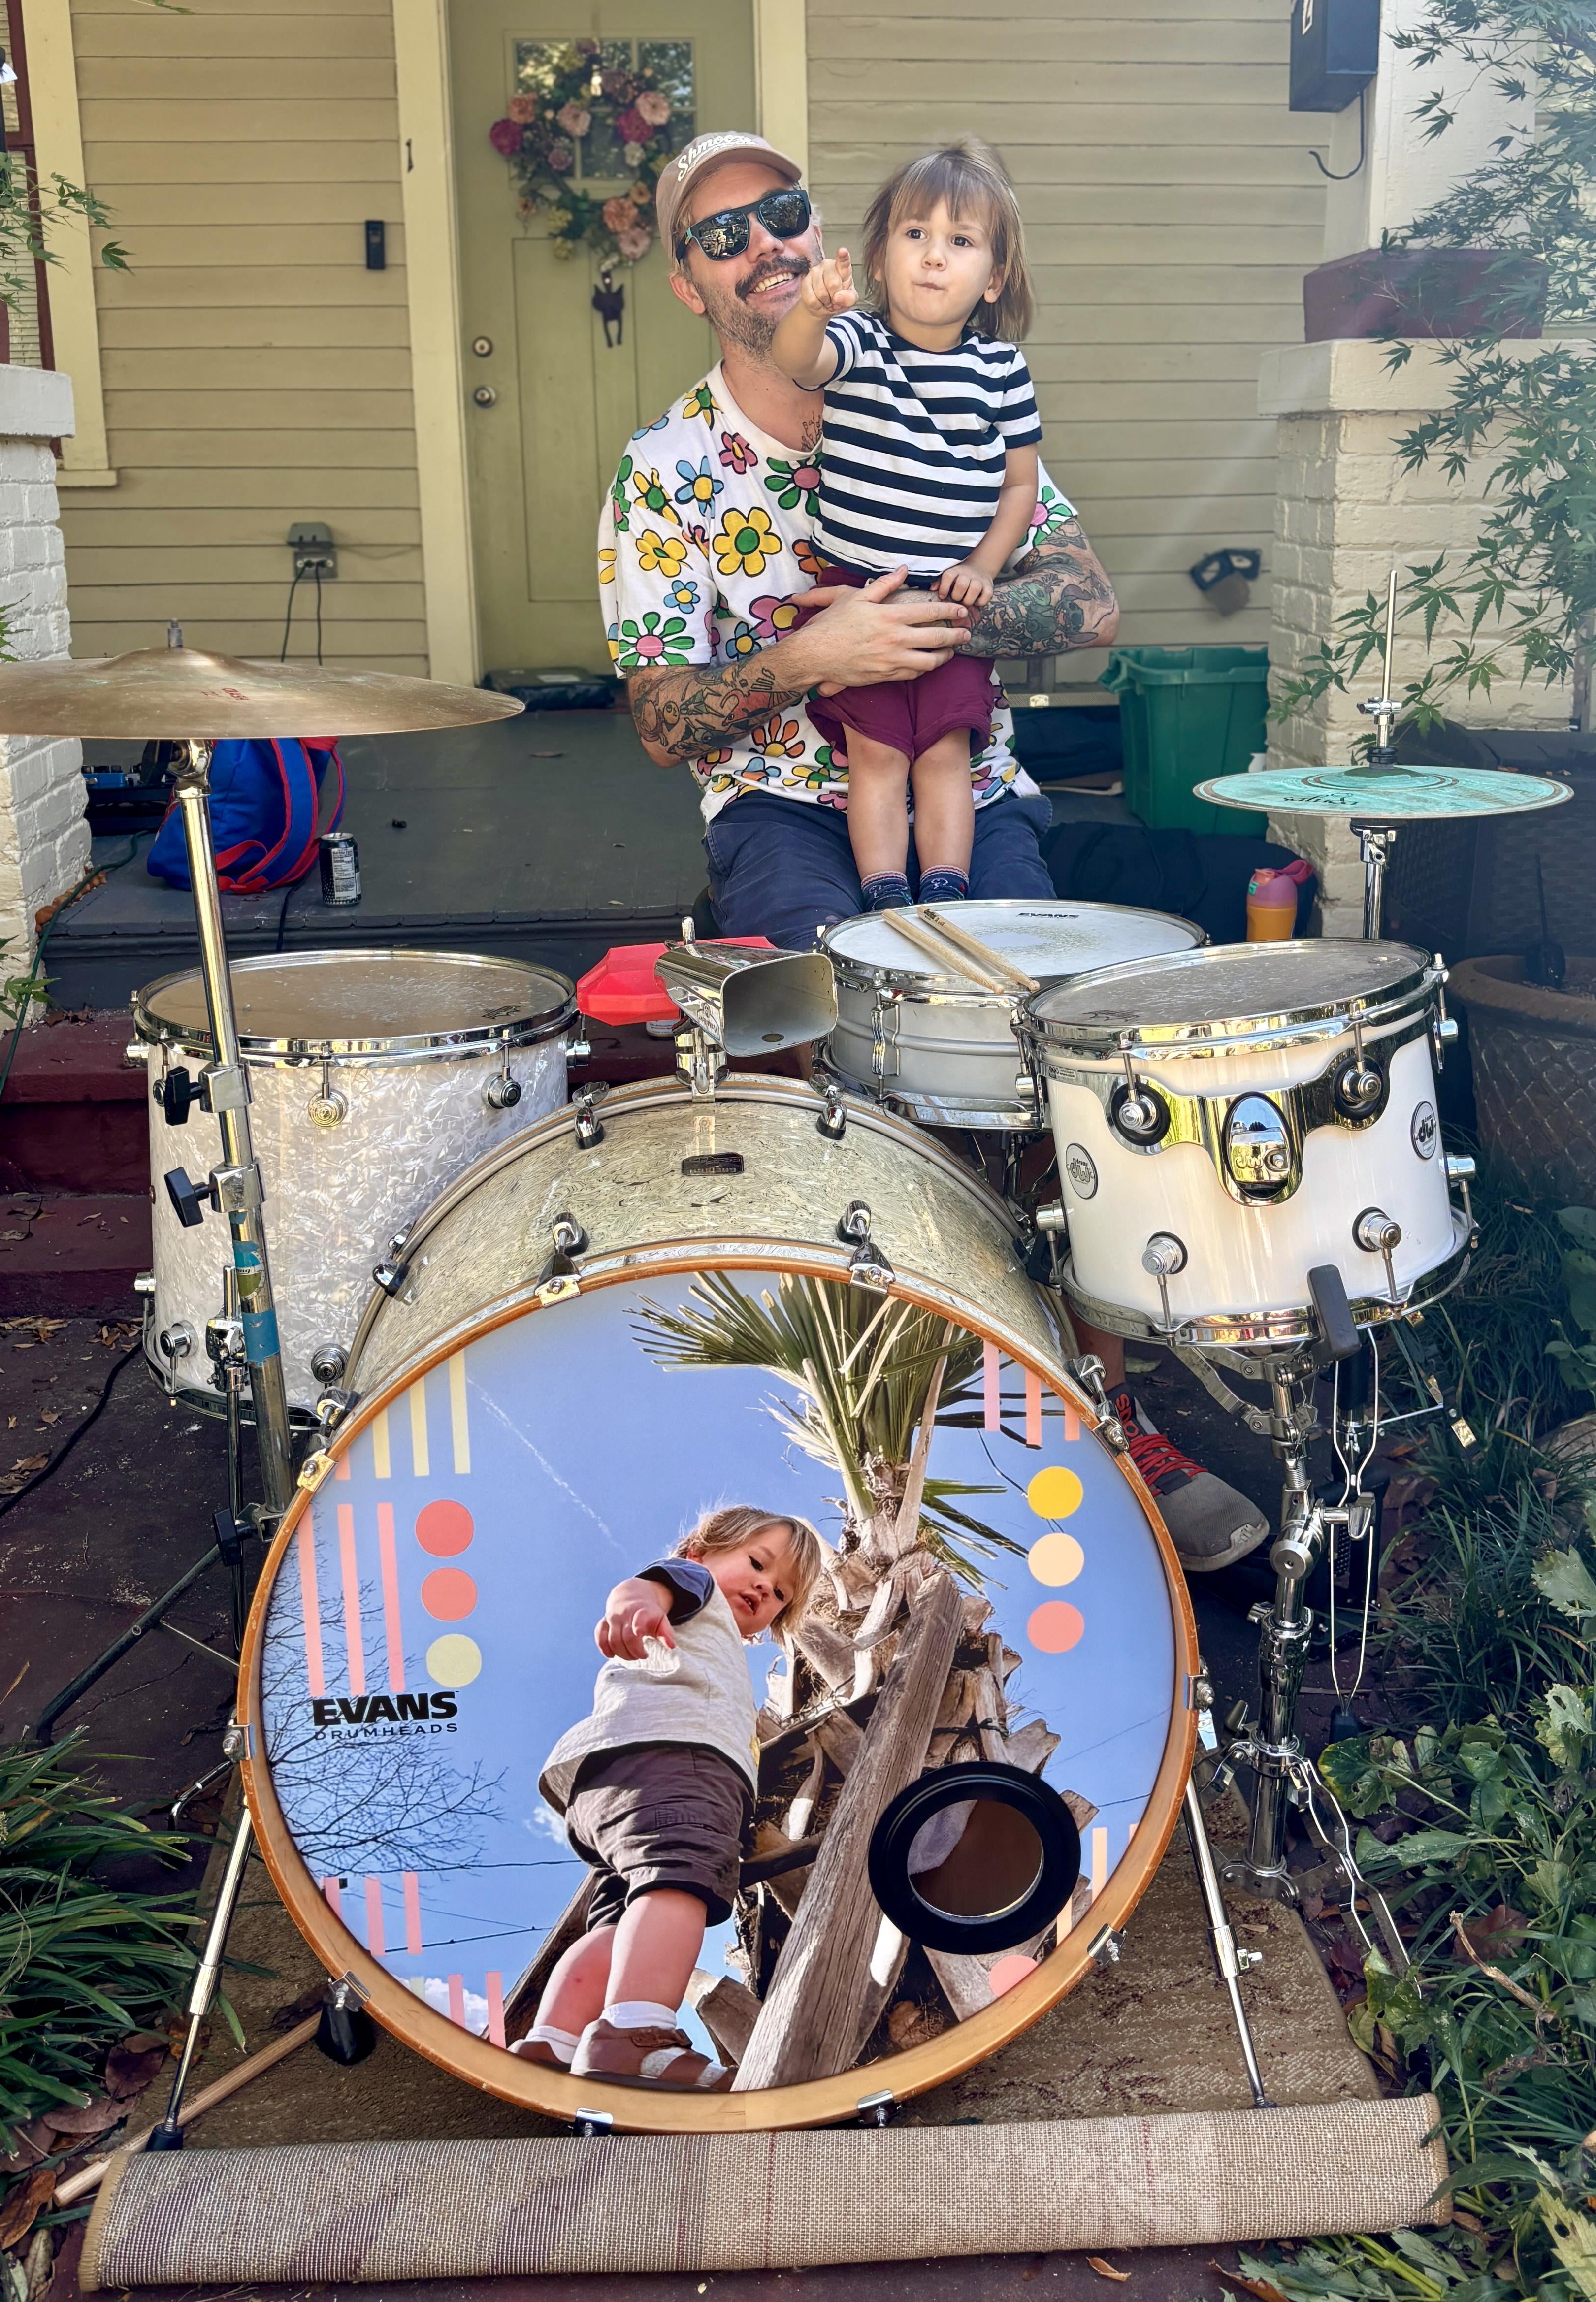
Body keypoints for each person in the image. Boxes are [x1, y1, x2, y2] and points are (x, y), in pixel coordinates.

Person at [597, 132, 1265, 1578]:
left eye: (781, 213)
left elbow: (1082, 600)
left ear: (824, 236)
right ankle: (860, 1431)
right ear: (686, 282)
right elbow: (657, 718)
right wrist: (808, 657)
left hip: (967, 782)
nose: (761, 243)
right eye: (721, 232)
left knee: (1048, 1033)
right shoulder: (663, 474)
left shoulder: (942, 378)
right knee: (815, 1012)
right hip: (786, 802)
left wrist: (941, 622)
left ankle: (1100, 1402)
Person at [769, 140, 1041, 916]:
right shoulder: (860, 342)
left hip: (951, 600)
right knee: (877, 753)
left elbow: (1018, 486)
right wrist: (811, 310)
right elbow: (799, 361)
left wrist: (984, 565)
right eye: (914, 233)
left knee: (945, 752)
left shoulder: (1001, 370)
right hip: (860, 595)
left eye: (960, 240)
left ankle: (946, 888)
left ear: (992, 278)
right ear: (880, 262)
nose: (932, 255)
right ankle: (885, 893)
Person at [512, 1505, 823, 2091]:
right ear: (699, 1553)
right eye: (757, 1563)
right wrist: (633, 1605)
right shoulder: (694, 1585)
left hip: (613, 1781)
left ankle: (553, 2042)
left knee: (620, 1921)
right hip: (675, 1757)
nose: (765, 1587)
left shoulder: (715, 1642)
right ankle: (637, 2036)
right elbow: (644, 1586)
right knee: (679, 1881)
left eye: (781, 1593)